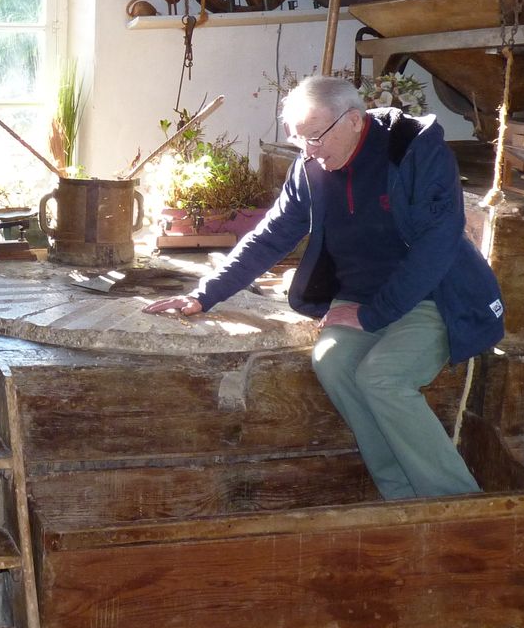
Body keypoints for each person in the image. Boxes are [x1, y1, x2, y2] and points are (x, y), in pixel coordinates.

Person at [144, 76, 505, 500]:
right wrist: (204, 294)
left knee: (382, 378)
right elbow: (271, 235)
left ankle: (457, 504)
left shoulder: (413, 149)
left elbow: (438, 242)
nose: (307, 151)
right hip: (360, 298)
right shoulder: (311, 166)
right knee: (332, 363)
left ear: (353, 120)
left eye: (314, 136)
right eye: (298, 140)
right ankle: (401, 498)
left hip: (430, 295)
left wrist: (373, 315)